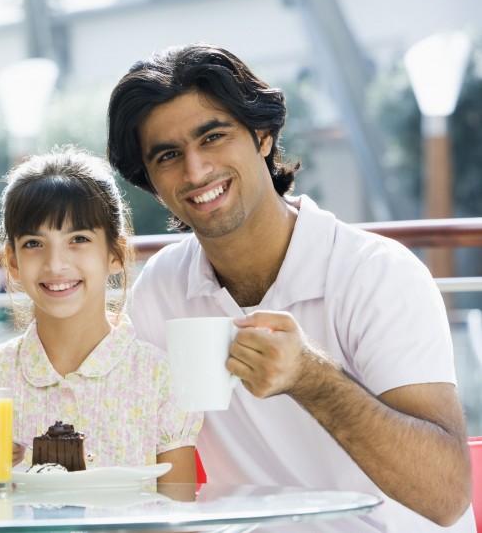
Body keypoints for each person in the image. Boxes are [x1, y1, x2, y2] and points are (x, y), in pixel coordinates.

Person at [106, 43, 473, 531]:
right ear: (150, 180)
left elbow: (447, 497)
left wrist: (311, 378)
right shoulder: (161, 288)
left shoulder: (377, 274)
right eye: (169, 155)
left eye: (213, 137)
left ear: (262, 136)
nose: (196, 171)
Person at [0, 146, 202, 484]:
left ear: (115, 254)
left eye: (78, 238)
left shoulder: (160, 378)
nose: (56, 263)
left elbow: (177, 515)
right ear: (13, 261)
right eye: (34, 243)